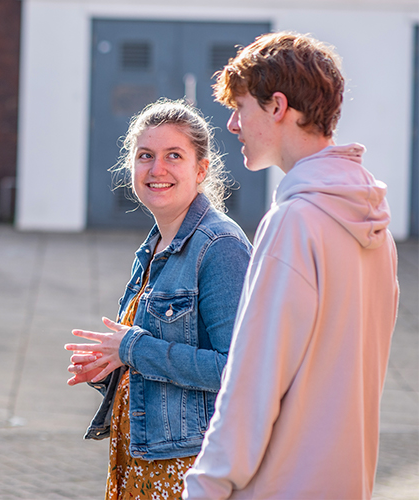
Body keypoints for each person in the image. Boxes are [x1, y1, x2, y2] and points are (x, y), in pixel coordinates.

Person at [183, 32, 399, 499]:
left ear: (277, 106)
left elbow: (253, 382)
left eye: (241, 108)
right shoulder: (376, 227)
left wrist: (205, 486)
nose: (234, 125)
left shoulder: (295, 222)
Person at [65, 99, 252, 500]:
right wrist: (112, 367)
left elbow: (238, 371)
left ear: (201, 169)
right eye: (145, 156)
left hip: (186, 471)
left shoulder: (219, 246)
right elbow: (161, 363)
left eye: (174, 156)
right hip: (139, 464)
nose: (157, 169)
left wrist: (132, 348)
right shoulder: (156, 245)